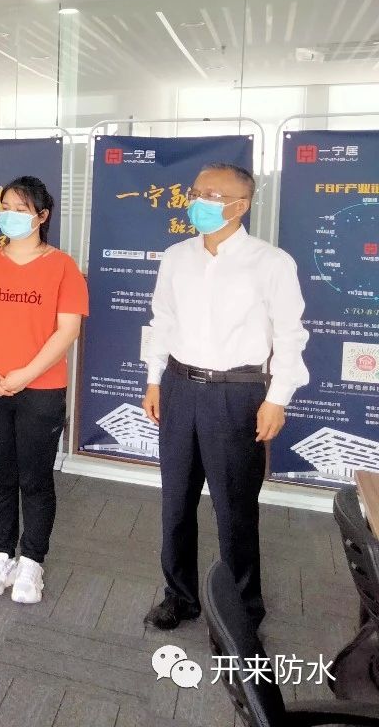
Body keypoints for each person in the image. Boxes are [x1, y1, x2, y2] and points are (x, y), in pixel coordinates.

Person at [142, 163, 308, 631]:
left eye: (213, 195)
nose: (200, 201)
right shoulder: (176, 256)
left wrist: (277, 398)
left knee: (234, 508)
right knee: (176, 501)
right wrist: (154, 380)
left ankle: (241, 611)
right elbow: (162, 321)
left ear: (241, 205)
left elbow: (290, 336)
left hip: (237, 394)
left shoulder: (271, 263)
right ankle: (180, 596)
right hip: (179, 386)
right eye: (196, 192)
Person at [0, 176, 87, 604]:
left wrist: (25, 374)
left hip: (41, 389)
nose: (10, 215)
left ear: (41, 216)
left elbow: (67, 330)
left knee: (35, 479)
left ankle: (32, 560)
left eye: (21, 209)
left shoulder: (63, 266)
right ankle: (1, 555)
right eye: (6, 207)